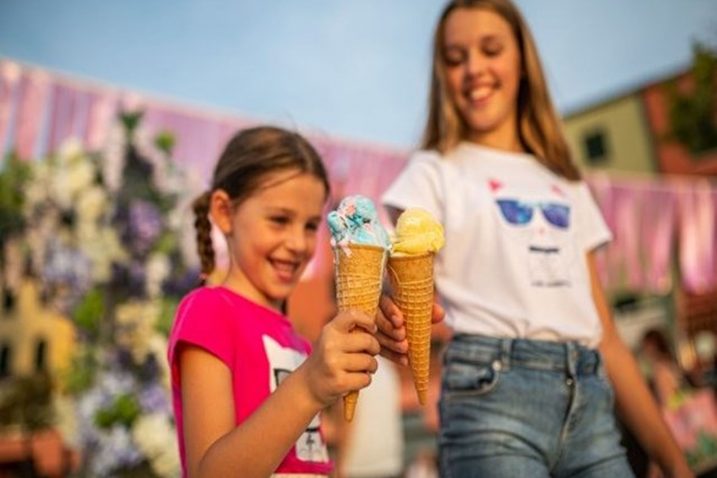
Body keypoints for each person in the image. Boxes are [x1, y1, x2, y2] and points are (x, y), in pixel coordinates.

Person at [375, 1, 693, 476]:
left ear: (522, 61)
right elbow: (401, 274)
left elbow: (605, 334)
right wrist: (390, 305)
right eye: (455, 57)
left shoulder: (564, 182)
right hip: (489, 401)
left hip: (591, 407)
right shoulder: (432, 171)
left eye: (490, 49)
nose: (473, 69)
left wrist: (676, 464)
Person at [167, 126, 381, 478]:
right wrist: (309, 384)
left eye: (311, 226)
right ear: (224, 212)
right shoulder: (209, 312)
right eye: (279, 220)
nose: (298, 243)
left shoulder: (296, 340)